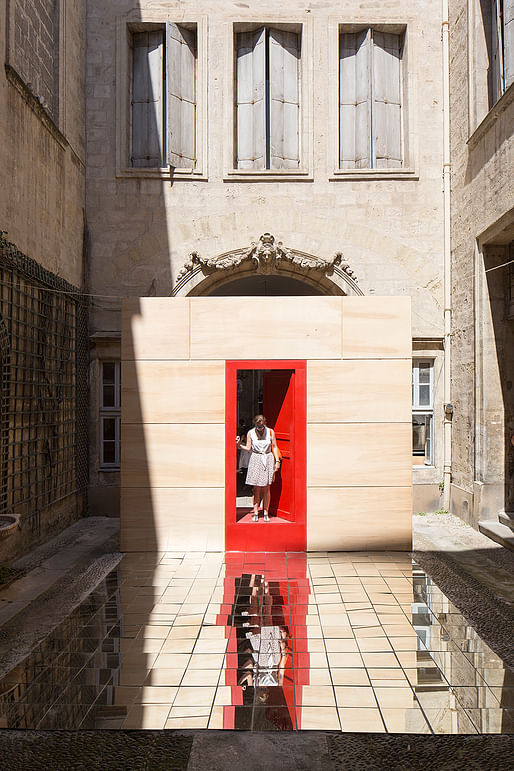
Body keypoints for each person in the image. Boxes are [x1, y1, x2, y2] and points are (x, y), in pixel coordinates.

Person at [236, 414, 280, 522]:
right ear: (255, 425)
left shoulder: (270, 431)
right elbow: (248, 447)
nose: (260, 428)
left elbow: (274, 446)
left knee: (267, 487)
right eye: (258, 426)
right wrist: (238, 445)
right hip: (256, 459)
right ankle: (256, 511)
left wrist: (277, 461)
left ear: (265, 424)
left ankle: (266, 511)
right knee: (256, 488)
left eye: (262, 426)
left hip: (268, 458)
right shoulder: (250, 433)